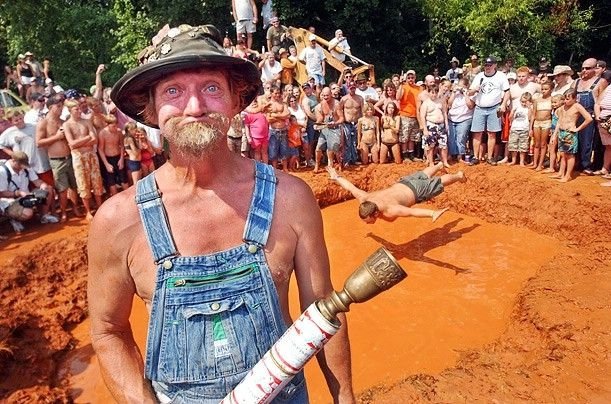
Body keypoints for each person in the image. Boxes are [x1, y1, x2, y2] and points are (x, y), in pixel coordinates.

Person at [89, 24, 354, 403]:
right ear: (151, 109)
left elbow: (324, 311)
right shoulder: (119, 221)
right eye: (173, 92)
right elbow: (108, 331)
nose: (195, 107)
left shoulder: (290, 198)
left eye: (211, 88)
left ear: (235, 99)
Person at [326, 163, 465, 223]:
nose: (368, 224)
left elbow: (412, 213)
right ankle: (438, 165)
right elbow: (349, 187)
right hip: (404, 182)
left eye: (370, 221)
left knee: (439, 182)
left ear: (375, 213)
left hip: (416, 191)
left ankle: (458, 175)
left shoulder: (390, 210)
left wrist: (432, 213)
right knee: (423, 174)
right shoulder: (364, 198)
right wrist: (336, 177)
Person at [35, 93, 81, 222]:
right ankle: (64, 212)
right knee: (62, 188)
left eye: (61, 106)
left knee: (74, 186)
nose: (61, 109)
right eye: (59, 106)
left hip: (70, 157)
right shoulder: (43, 123)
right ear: (50, 107)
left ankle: (75, 207)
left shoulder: (63, 122)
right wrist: (56, 137)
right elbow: (38, 143)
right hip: (56, 160)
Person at [62, 99, 104, 221]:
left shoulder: (86, 121)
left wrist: (80, 142)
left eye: (80, 108)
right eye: (76, 109)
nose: (80, 111)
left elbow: (95, 139)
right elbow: (72, 144)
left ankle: (100, 207)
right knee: (82, 183)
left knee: (97, 181)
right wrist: (86, 139)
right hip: (78, 157)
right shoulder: (67, 125)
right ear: (70, 111)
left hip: (91, 154)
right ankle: (88, 211)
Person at [0, 151, 58, 234]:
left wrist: (43, 185)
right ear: (13, 160)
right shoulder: (2, 172)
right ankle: (13, 218)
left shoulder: (26, 167)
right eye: (20, 165)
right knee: (28, 213)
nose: (22, 167)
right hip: (10, 202)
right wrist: (18, 193)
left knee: (48, 189)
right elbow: (1, 193)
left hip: (26, 197)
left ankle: (44, 216)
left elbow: (36, 181)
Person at [468, 56, 510, 165]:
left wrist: (504, 104)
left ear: (495, 65)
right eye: (486, 65)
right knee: (477, 132)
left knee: (492, 133)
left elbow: (507, 91)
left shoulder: (501, 76)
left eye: (490, 65)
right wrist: (474, 90)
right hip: (479, 107)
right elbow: (470, 92)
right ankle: (476, 157)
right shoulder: (479, 76)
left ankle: (490, 157)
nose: (488, 67)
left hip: (494, 107)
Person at [551, 89, 593, 183]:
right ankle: (561, 173)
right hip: (561, 132)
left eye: (568, 99)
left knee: (570, 155)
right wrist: (554, 135)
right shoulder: (563, 107)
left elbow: (589, 119)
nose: (566, 101)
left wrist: (577, 129)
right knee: (562, 154)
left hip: (570, 133)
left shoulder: (577, 106)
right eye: (565, 99)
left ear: (574, 99)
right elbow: (559, 121)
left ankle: (568, 175)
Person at [97, 114, 129, 196]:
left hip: (118, 157)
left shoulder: (118, 132)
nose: (115, 128)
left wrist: (121, 159)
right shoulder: (102, 133)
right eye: (113, 126)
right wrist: (106, 164)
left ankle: (128, 198)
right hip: (108, 159)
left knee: (124, 180)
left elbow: (122, 146)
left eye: (116, 125)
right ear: (107, 125)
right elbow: (100, 149)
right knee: (112, 183)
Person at [531, 82, 553, 170]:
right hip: (537, 122)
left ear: (551, 89)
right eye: (542, 89)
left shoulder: (552, 99)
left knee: (543, 144)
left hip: (546, 122)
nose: (543, 91)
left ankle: (540, 164)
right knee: (536, 144)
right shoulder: (537, 100)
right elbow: (533, 114)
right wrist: (530, 127)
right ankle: (535, 163)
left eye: (546, 89)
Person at [507, 92, 533, 166]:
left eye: (526, 102)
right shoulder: (517, 107)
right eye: (522, 101)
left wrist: (529, 108)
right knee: (513, 145)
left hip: (524, 129)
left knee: (523, 146)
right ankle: (513, 160)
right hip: (515, 128)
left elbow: (529, 118)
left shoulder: (529, 109)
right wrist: (512, 112)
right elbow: (510, 118)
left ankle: (522, 161)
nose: (523, 103)